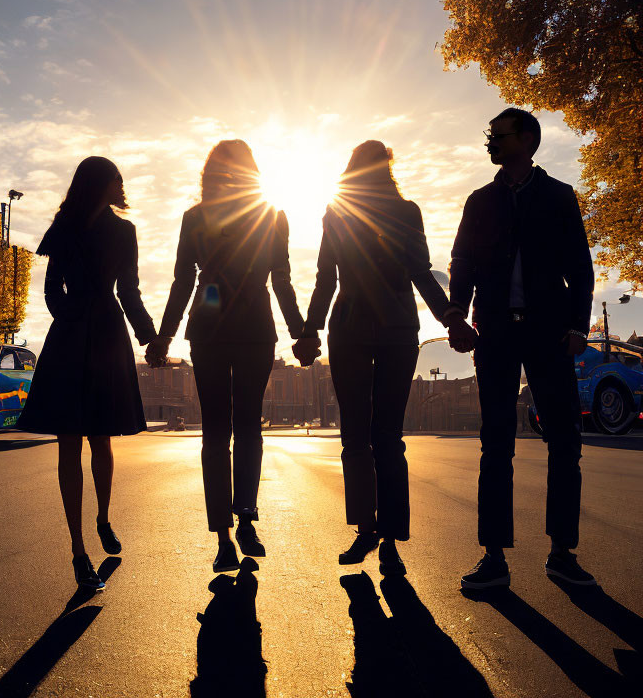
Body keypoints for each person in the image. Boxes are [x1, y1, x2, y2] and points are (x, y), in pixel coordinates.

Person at [294, 141, 476, 576]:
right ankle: (390, 539)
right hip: (396, 329)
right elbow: (420, 272)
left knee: (356, 434)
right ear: (387, 167)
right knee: (388, 435)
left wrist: (310, 331)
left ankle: (366, 529)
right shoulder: (405, 211)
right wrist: (449, 316)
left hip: (353, 329)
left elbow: (325, 280)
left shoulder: (337, 210)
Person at [449, 108, 596, 589]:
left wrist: (579, 325)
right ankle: (493, 557)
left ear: (528, 140)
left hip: (549, 333)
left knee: (565, 441)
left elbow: (580, 265)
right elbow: (461, 263)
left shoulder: (559, 197)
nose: (491, 141)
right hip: (493, 333)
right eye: (489, 134)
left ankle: (561, 552)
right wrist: (456, 316)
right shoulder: (479, 201)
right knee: (496, 443)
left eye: (499, 134)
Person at [146, 140, 305, 572]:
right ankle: (242, 521)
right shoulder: (270, 215)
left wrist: (164, 335)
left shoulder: (200, 217)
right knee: (243, 426)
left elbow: (184, 282)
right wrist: (300, 332)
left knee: (219, 431)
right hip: (249, 325)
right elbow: (282, 281)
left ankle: (227, 535)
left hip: (214, 323)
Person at [18, 157, 156, 590]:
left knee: (102, 437)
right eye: (116, 177)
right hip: (70, 338)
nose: (122, 184)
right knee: (69, 442)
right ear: (98, 183)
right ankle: (79, 552)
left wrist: (150, 337)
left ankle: (102, 519)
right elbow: (50, 285)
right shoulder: (64, 226)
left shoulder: (124, 232)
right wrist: (68, 316)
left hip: (109, 337)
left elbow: (130, 290)